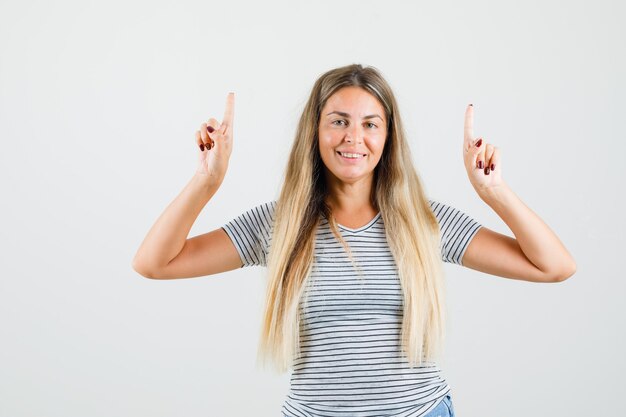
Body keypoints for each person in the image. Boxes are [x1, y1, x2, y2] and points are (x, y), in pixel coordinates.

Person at [132, 64, 577, 417]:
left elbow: (554, 266)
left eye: (370, 124)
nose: (353, 138)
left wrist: (493, 192)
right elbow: (155, 262)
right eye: (339, 121)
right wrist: (206, 183)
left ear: (387, 137)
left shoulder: (424, 222)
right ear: (316, 131)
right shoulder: (279, 225)